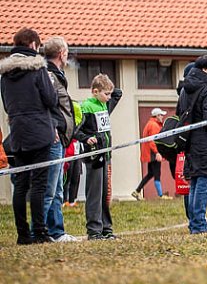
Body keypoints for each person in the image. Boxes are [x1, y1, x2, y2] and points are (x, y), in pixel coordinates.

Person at [0, 28, 58, 245]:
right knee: (39, 184)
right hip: (40, 132)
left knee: (21, 184)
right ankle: (40, 232)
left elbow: (6, 105)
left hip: (18, 133)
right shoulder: (38, 69)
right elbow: (51, 100)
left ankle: (22, 234)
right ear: (33, 45)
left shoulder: (5, 74)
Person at [41, 37, 79, 242]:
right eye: (66, 52)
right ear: (61, 53)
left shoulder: (57, 75)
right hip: (53, 138)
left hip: (61, 139)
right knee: (50, 188)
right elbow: (47, 104)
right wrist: (54, 127)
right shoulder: (48, 75)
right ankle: (43, 230)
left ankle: (56, 230)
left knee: (57, 188)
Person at [180, 55, 207, 234]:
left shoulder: (185, 89)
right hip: (205, 142)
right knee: (202, 183)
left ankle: (195, 224)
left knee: (195, 182)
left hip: (190, 140)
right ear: (205, 69)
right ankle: (198, 225)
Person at [76, 73, 122, 240]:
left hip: (106, 154)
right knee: (94, 194)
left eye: (109, 94)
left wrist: (106, 82)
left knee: (104, 194)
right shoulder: (86, 107)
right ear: (94, 91)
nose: (109, 97)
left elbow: (119, 93)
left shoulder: (105, 105)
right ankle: (94, 230)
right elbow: (76, 130)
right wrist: (86, 138)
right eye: (105, 94)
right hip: (93, 155)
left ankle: (106, 228)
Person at [132, 108, 168, 200]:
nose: (162, 117)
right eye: (161, 115)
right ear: (156, 116)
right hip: (153, 153)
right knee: (157, 174)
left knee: (150, 174)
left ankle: (137, 191)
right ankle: (160, 195)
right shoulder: (154, 125)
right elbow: (153, 141)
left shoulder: (150, 124)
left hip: (150, 153)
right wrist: (157, 153)